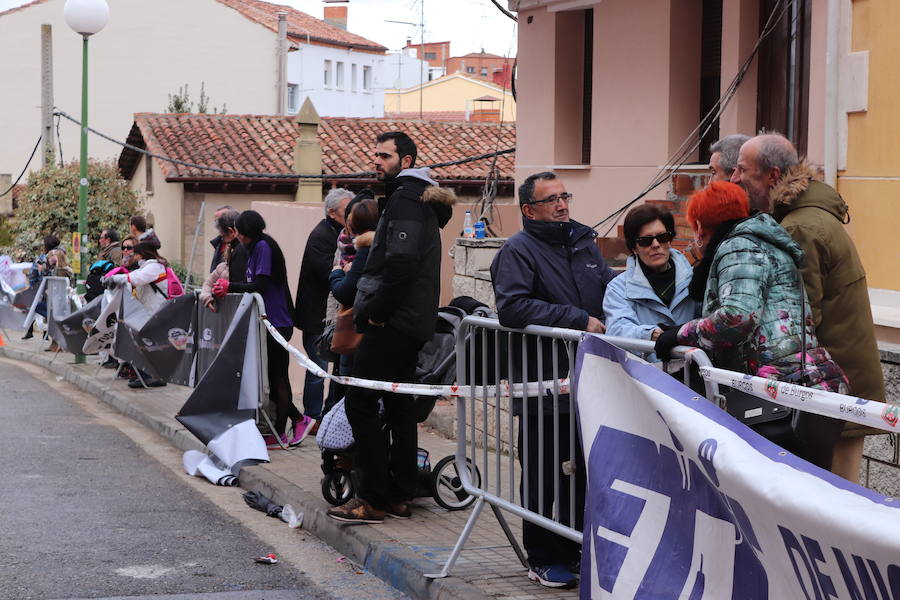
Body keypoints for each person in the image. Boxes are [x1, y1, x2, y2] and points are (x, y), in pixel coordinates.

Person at [654, 181, 849, 469]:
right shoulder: (767, 243)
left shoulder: (738, 246)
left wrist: (678, 335)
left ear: (699, 226)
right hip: (811, 390)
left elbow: (738, 316)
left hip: (781, 394)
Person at [731, 132, 887, 483]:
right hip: (838, 391)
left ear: (771, 176)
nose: (734, 178)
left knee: (832, 509)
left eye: (742, 170)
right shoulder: (808, 217)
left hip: (828, 397)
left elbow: (798, 322)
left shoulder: (799, 227)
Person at [489, 171, 618, 589]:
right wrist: (578, 320)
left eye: (565, 196)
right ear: (529, 210)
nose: (563, 205)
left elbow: (607, 291)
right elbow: (513, 307)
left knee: (582, 472)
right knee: (545, 474)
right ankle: (542, 557)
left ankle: (575, 550)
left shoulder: (584, 243)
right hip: (543, 384)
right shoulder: (517, 250)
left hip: (590, 383)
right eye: (552, 200)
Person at [327, 131, 455, 525]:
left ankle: (373, 498)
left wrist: (376, 313)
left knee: (360, 402)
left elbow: (399, 265)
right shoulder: (415, 201)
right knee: (399, 409)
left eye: (384, 155)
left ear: (409, 160)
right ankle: (399, 494)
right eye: (375, 155)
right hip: (412, 322)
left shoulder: (404, 199)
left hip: (394, 323)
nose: (376, 161)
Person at [217, 210, 313, 448]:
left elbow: (259, 285)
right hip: (267, 320)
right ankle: (297, 419)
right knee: (271, 376)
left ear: (245, 231)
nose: (236, 235)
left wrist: (230, 287)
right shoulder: (253, 249)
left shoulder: (263, 247)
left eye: (238, 230)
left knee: (278, 376)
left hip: (277, 321)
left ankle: (283, 429)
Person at [603, 203, 697, 359]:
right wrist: (652, 334)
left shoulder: (694, 279)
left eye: (662, 237)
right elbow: (617, 331)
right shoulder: (618, 288)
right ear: (634, 247)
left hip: (692, 375)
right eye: (646, 241)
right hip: (645, 378)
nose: (656, 245)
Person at [294, 188, 353, 422]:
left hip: (333, 315)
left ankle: (328, 414)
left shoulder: (341, 234)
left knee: (335, 369)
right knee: (318, 369)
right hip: (317, 316)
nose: (350, 214)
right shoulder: (322, 236)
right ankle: (312, 417)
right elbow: (328, 271)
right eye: (345, 210)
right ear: (331, 212)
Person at [324, 196, 379, 414]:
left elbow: (346, 292)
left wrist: (336, 274)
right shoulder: (387, 246)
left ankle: (347, 441)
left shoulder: (365, 250)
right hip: (376, 330)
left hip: (357, 330)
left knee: (351, 395)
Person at [107, 241, 171, 388]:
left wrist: (117, 278)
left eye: (135, 253)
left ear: (142, 253)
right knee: (144, 344)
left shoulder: (155, 266)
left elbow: (137, 278)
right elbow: (134, 276)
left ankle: (154, 377)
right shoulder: (148, 266)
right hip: (148, 311)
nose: (133, 256)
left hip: (154, 311)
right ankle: (145, 376)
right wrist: (117, 279)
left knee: (148, 344)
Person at [199, 209, 248, 312]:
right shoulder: (223, 266)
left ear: (231, 232)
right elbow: (208, 283)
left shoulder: (241, 252)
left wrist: (227, 288)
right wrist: (207, 297)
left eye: (223, 236)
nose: (223, 241)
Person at [22, 234, 60, 340]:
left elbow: (33, 274)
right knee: (47, 310)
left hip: (42, 289)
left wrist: (33, 285)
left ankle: (42, 331)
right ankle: (42, 333)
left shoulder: (42, 258)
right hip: (58, 290)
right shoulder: (61, 257)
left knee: (36, 307)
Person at [208, 204, 235, 272]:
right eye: (216, 221)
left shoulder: (239, 244)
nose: (218, 224)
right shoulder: (218, 243)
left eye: (221, 220)